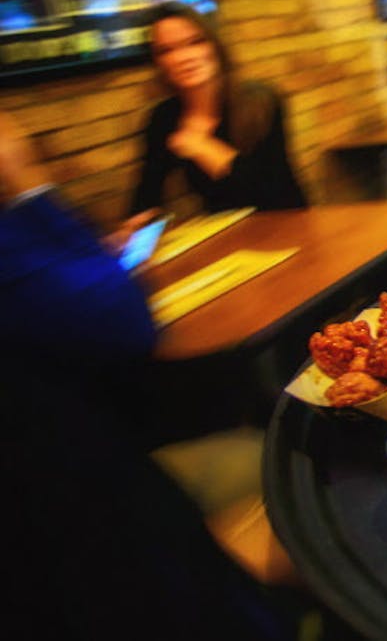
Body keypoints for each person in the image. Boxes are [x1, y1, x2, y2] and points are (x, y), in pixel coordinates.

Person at [0, 112, 305, 640]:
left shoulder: (252, 106)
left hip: (70, 493)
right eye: (166, 49)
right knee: (275, 451)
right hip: (82, 525)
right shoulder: (164, 119)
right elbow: (121, 317)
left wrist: (218, 157)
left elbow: (286, 199)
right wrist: (28, 187)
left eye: (190, 44)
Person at [126, 1, 306, 234]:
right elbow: (147, 197)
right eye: (167, 51)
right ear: (159, 63)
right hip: (226, 239)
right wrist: (136, 227)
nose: (183, 57)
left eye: (195, 42)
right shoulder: (164, 118)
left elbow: (277, 194)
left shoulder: (261, 101)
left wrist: (205, 148)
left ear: (215, 47)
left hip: (288, 230)